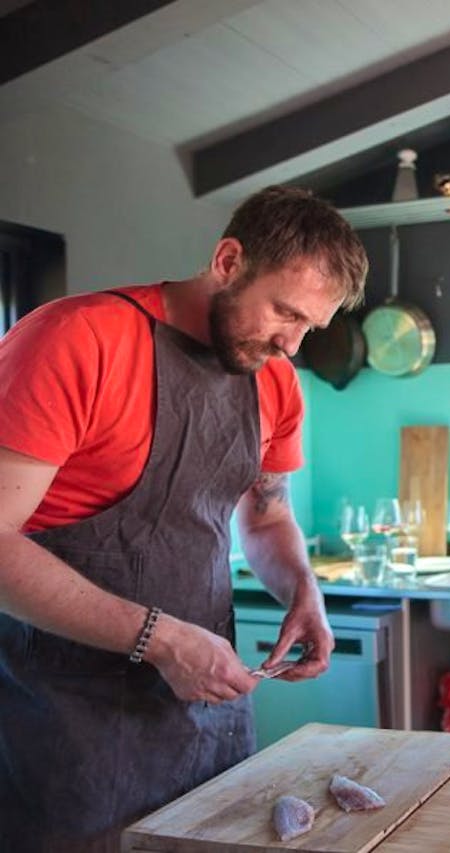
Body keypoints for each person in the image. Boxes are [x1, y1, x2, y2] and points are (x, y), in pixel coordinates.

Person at [0, 185, 369, 850]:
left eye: (309, 327)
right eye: (284, 312)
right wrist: (160, 639)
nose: (291, 345)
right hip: (62, 724)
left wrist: (302, 589)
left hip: (203, 717)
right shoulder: (77, 339)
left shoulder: (274, 381)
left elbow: (266, 517)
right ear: (228, 262)